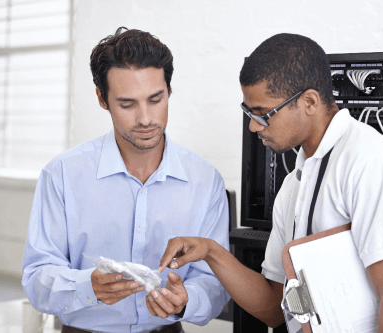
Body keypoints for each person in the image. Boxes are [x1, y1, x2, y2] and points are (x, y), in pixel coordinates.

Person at [155, 33, 383, 333]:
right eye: (249, 113)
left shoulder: (372, 163)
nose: (253, 126)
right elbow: (275, 308)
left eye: (263, 114)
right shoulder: (294, 186)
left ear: (310, 102)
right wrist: (212, 251)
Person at [22, 27, 230, 333]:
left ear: (169, 91)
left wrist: (188, 300)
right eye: (127, 104)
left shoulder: (205, 180)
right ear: (102, 99)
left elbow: (214, 280)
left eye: (155, 99)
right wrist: (86, 286)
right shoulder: (62, 175)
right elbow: (36, 277)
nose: (145, 118)